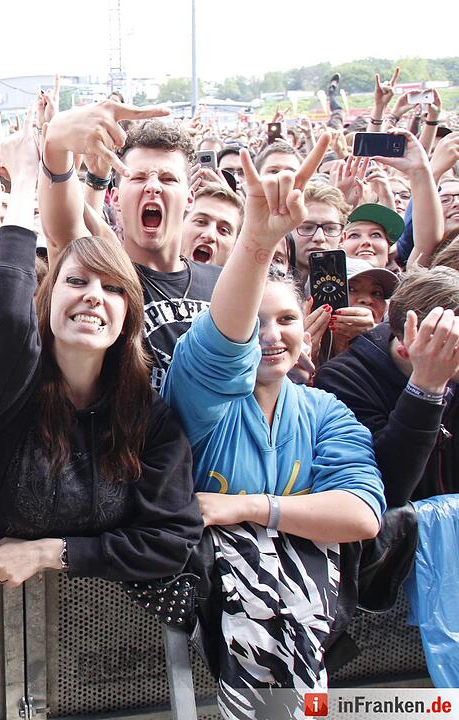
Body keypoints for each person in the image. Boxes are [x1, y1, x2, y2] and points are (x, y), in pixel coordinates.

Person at [161, 142, 384, 712]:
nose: (270, 334)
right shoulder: (199, 396)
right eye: (255, 319)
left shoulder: (326, 412)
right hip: (208, 643)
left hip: (309, 647)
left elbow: (359, 514)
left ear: (307, 331)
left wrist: (248, 508)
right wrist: (257, 240)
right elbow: (222, 349)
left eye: (286, 319)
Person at [0, 103, 202, 589]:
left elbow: (172, 540)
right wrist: (25, 178)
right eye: (77, 282)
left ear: (127, 317)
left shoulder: (147, 417)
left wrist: (53, 554)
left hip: (106, 640)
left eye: (113, 288)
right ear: (46, 301)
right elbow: (6, 312)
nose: (94, 296)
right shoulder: (12, 392)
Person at [39, 114, 224, 390]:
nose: (152, 186)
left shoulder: (222, 283)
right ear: (115, 199)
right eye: (137, 177)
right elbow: (61, 233)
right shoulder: (101, 280)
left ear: (189, 198)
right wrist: (56, 141)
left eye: (168, 178)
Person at [315, 266, 459, 505]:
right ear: (406, 347)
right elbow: (388, 489)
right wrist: (425, 390)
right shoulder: (344, 379)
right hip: (403, 534)